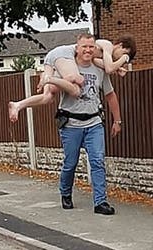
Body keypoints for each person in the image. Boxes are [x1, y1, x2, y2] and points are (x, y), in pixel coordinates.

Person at [54, 33, 121, 215]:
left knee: (98, 161)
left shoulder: (99, 69)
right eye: (84, 46)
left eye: (91, 47)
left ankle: (100, 202)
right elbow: (53, 87)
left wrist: (117, 120)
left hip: (94, 122)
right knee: (71, 163)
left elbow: (110, 95)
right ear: (77, 48)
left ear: (95, 49)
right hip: (71, 124)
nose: (88, 50)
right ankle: (65, 193)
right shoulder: (68, 67)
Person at [8, 35, 135, 123]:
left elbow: (97, 62)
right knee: (76, 87)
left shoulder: (98, 53)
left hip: (53, 57)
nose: (122, 58)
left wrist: (118, 69)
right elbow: (109, 68)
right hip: (63, 55)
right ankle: (48, 78)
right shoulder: (108, 45)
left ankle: (18, 105)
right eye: (125, 53)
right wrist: (124, 59)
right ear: (120, 45)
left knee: (47, 97)